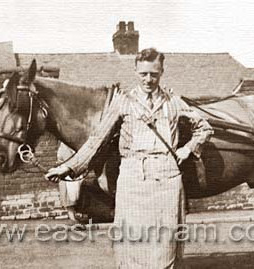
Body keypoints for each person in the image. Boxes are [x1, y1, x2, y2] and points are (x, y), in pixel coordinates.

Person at [45, 48, 213, 268]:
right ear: (135, 71)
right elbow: (97, 139)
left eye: (154, 74)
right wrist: (67, 168)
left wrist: (188, 148)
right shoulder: (124, 102)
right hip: (133, 179)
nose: (149, 79)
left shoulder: (174, 101)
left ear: (161, 72)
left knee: (165, 244)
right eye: (143, 74)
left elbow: (204, 127)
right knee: (131, 244)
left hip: (167, 179)